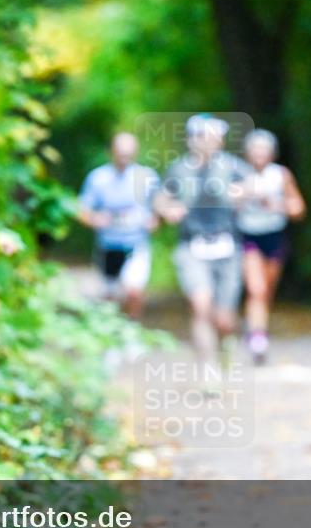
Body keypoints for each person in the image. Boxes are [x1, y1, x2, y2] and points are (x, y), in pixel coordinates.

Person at [154, 114, 250, 366]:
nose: (209, 142)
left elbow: (255, 186)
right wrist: (168, 210)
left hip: (228, 246)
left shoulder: (232, 167)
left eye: (214, 137)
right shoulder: (178, 169)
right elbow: (161, 199)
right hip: (191, 245)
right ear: (191, 139)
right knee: (200, 306)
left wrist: (242, 194)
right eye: (202, 136)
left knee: (224, 318)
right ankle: (208, 369)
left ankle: (226, 348)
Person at [235, 129, 306, 364]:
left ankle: (254, 326)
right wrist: (243, 195)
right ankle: (258, 337)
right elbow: (225, 203)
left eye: (263, 149)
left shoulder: (281, 175)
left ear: (271, 153)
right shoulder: (239, 174)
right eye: (254, 149)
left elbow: (298, 208)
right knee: (256, 289)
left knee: (266, 291)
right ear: (247, 153)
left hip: (274, 236)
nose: (259, 154)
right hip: (248, 236)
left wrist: (278, 204)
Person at [78, 132, 159, 319]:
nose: (124, 158)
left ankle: (132, 331)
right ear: (111, 152)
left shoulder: (147, 177)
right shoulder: (97, 178)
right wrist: (95, 219)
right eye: (121, 153)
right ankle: (113, 337)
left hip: (136, 244)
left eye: (128, 154)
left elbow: (160, 206)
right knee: (110, 296)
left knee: (133, 291)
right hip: (108, 246)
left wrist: (155, 220)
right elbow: (82, 210)